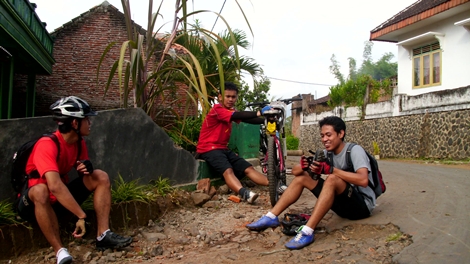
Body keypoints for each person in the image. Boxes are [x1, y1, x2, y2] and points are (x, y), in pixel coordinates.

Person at [16, 96, 132, 264]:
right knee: (42, 190)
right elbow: (54, 186)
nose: (89, 123)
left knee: (100, 176)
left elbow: (83, 178)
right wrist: (81, 215)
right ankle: (60, 251)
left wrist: (86, 169)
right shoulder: (46, 144)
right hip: (33, 204)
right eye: (86, 119)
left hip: (58, 202)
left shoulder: (79, 143)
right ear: (74, 123)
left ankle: (103, 235)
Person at [246, 116, 376, 249]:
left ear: (341, 133)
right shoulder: (326, 153)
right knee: (303, 177)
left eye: (328, 135)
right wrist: (303, 166)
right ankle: (271, 216)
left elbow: (363, 180)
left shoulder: (354, 151)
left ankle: (307, 231)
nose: (324, 139)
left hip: (361, 207)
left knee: (331, 178)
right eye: (322, 135)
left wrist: (331, 170)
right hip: (342, 208)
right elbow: (297, 173)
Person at [196, 82, 271, 204]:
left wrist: (267, 120)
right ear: (220, 97)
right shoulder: (217, 109)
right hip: (208, 148)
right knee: (228, 170)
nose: (230, 99)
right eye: (227, 96)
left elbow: (248, 119)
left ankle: (273, 185)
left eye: (233, 97)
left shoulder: (230, 111)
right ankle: (244, 193)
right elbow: (238, 115)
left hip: (223, 149)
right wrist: (259, 112)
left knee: (248, 168)